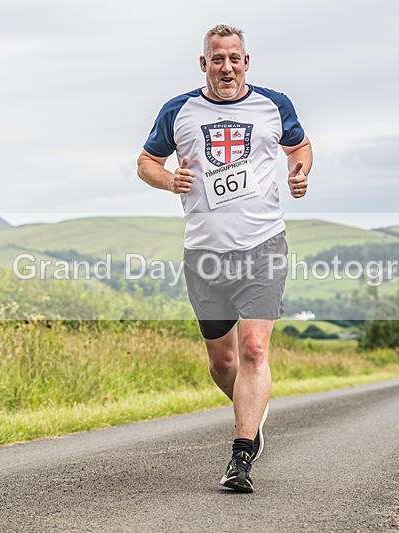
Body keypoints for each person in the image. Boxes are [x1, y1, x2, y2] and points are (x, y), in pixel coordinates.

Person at [136, 24, 312, 493]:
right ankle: (252, 409)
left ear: (247, 62)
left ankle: (241, 454)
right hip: (206, 254)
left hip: (263, 246)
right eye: (218, 59)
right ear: (204, 64)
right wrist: (167, 178)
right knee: (222, 361)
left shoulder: (274, 105)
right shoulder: (179, 110)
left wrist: (300, 170)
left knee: (255, 350)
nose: (227, 67)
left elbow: (299, 146)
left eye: (235, 59)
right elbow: (145, 162)